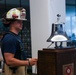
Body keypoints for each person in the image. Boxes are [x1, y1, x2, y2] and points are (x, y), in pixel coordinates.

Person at [1, 7, 37, 75]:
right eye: (18, 21)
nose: (21, 23)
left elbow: (17, 56)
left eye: (22, 21)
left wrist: (28, 60)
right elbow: (9, 61)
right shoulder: (10, 38)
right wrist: (28, 63)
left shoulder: (15, 37)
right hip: (14, 72)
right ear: (11, 23)